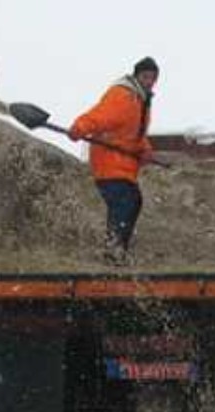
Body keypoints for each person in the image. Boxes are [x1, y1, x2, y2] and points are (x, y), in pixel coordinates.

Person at [68, 57, 159, 264]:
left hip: (123, 165)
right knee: (126, 201)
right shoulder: (123, 96)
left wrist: (144, 150)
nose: (149, 81)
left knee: (132, 201)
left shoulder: (140, 100)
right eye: (145, 76)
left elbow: (134, 134)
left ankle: (117, 249)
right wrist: (80, 127)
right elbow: (100, 116)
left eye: (153, 78)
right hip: (109, 162)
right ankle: (113, 250)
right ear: (137, 75)